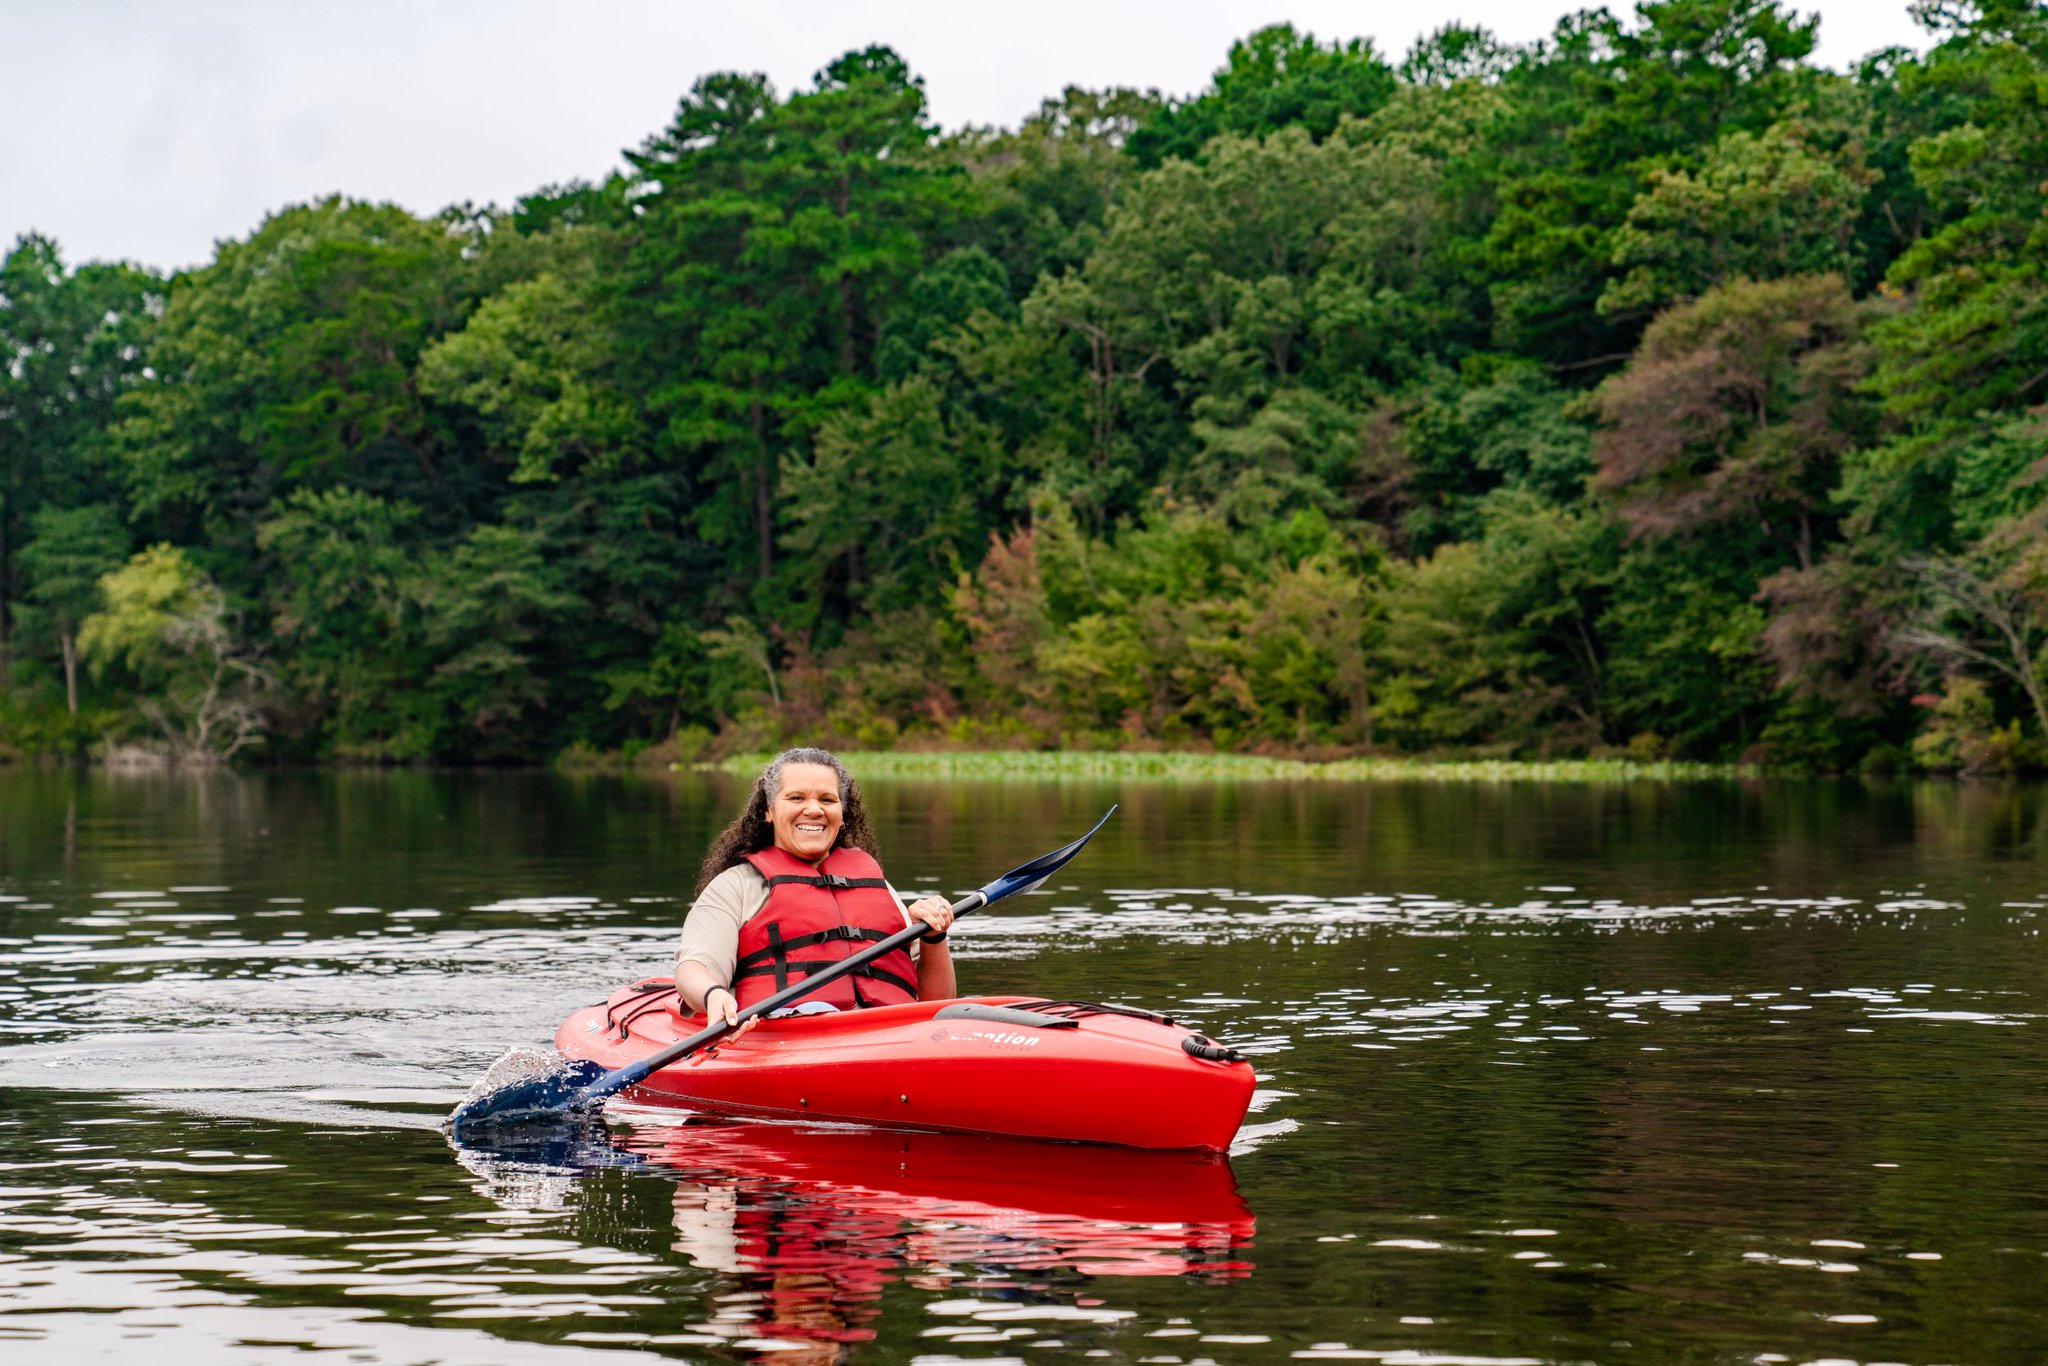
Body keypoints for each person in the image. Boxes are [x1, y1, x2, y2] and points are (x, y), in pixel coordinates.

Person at [675, 747, 955, 1035]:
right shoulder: (735, 886)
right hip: (790, 1035)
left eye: (827, 799)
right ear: (768, 811)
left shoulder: (879, 887)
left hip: (891, 1031)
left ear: (842, 814)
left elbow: (938, 1006)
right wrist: (712, 994)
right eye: (796, 798)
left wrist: (935, 937)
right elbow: (694, 967)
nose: (813, 809)